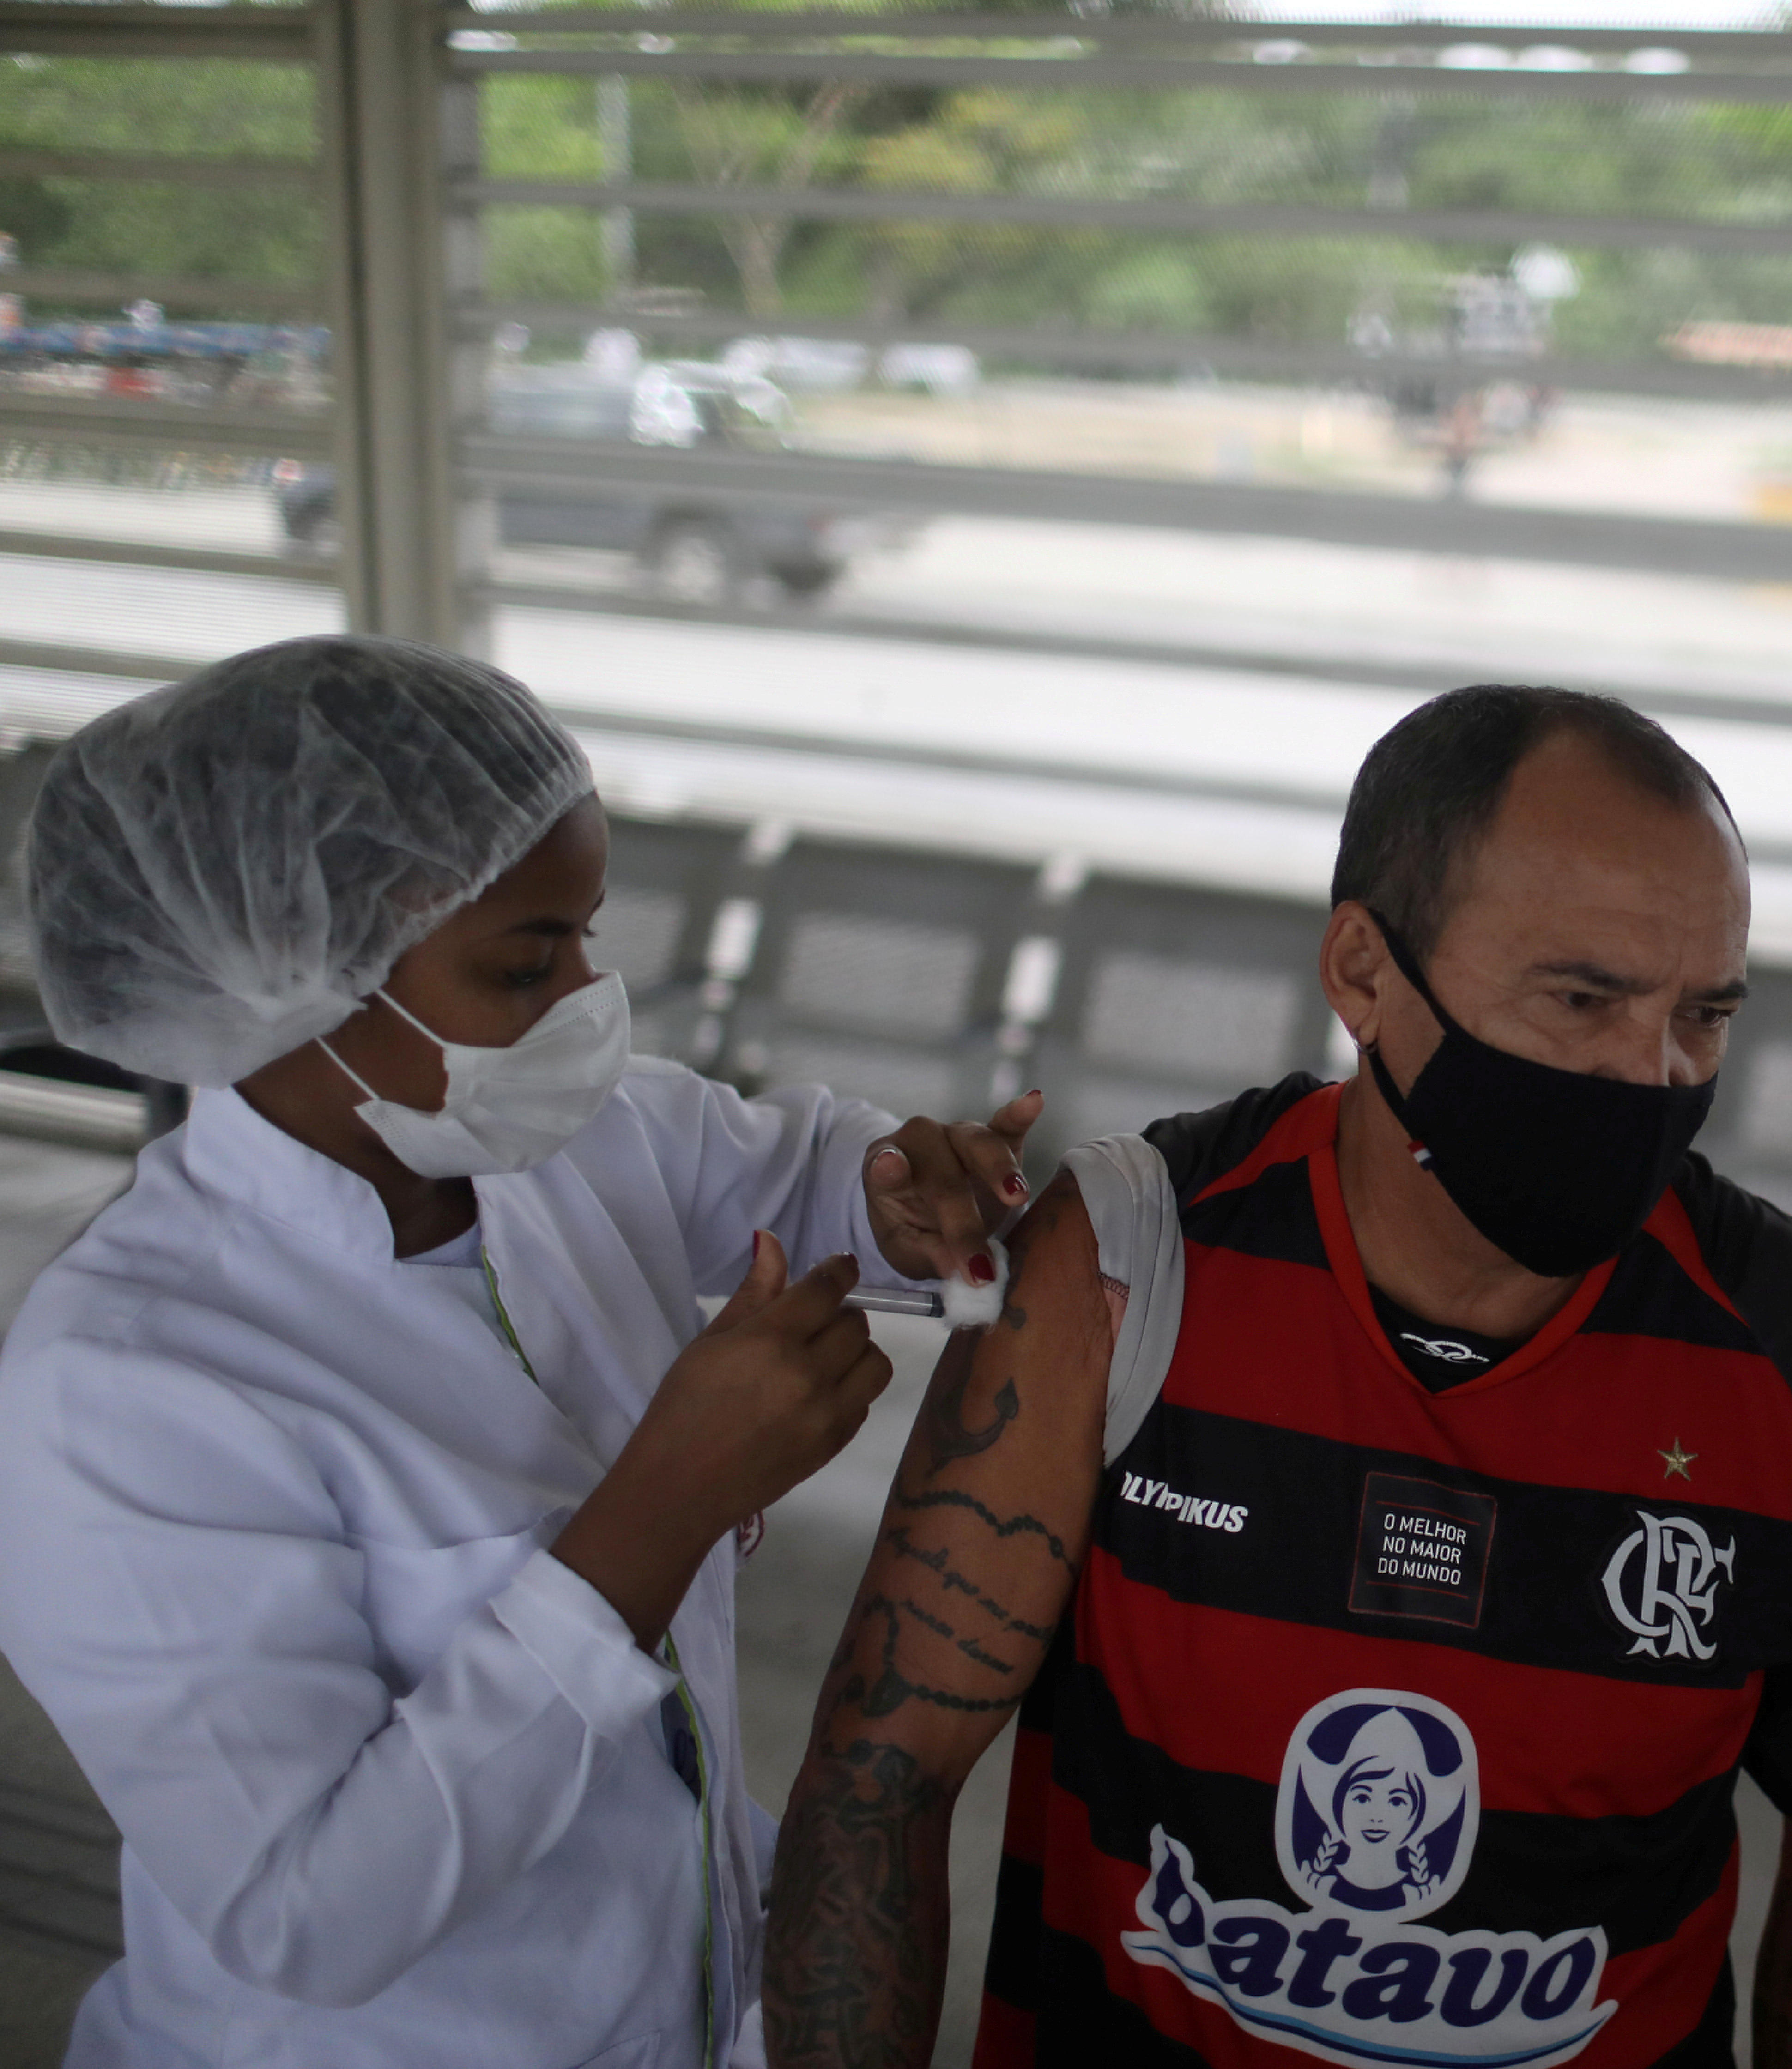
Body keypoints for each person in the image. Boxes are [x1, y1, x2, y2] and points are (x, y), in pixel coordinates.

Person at [763, 685, 1792, 2069]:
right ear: (1364, 974)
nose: (1652, 1076)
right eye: (1583, 999)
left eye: (1705, 1016)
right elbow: (877, 1781)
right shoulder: (1132, 1266)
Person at [0, 635, 1063, 2069]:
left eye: (586, 936)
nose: (586, 1002)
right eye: (526, 961)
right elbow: (308, 1915)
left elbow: (795, 1165)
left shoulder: (554, 1141)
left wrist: (892, 1191)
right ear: (294, 981)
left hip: (677, 1999)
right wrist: (656, 1515)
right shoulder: (126, 1385)